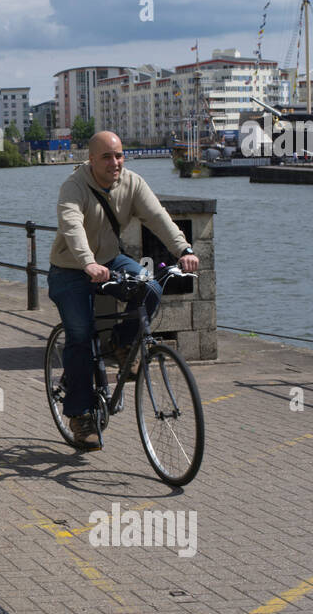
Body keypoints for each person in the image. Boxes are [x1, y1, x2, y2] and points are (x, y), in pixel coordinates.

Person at [47, 131, 200, 451]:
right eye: (107, 156)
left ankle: (122, 341)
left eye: (119, 155)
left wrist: (183, 249)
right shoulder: (73, 187)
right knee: (80, 335)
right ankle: (80, 415)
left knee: (152, 287)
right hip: (70, 269)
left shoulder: (132, 183)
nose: (115, 162)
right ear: (91, 159)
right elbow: (71, 226)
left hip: (109, 261)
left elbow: (158, 217)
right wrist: (87, 263)